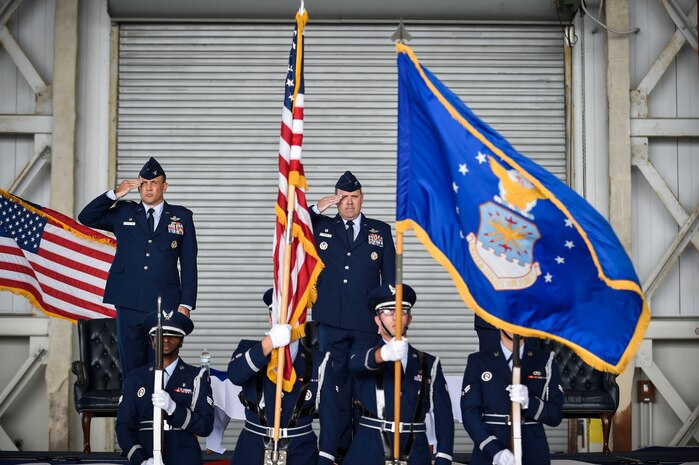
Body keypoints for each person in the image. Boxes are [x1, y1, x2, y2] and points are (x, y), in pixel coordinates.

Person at [78, 157, 198, 378]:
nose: (148, 188)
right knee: (132, 364)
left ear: (165, 186)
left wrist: (186, 304)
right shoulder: (124, 212)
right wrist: (115, 193)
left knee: (160, 366)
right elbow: (86, 217)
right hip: (128, 299)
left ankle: (159, 412)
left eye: (154, 183)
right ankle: (133, 410)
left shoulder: (181, 217)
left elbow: (189, 264)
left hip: (165, 302)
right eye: (143, 183)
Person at [309, 170, 396, 456]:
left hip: (364, 323)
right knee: (334, 389)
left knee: (364, 386)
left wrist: (387, 322)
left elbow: (390, 279)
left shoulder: (379, 230)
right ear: (336, 201)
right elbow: (293, 228)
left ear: (362, 199)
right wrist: (317, 207)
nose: (349, 203)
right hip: (330, 321)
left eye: (354, 197)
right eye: (343, 198)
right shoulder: (320, 225)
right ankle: (333, 451)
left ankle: (363, 451)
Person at [344, 283, 454, 465]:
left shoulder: (429, 363)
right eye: (387, 311)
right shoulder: (363, 353)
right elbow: (356, 364)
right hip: (369, 452)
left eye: (401, 311)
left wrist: (444, 457)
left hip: (415, 454)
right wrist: (384, 354)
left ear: (409, 319)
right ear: (377, 321)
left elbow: (444, 417)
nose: (395, 316)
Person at [227, 289, 338, 465]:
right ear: (270, 318)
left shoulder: (318, 360)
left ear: (301, 319)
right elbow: (235, 375)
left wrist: (325, 460)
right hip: (253, 451)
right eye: (277, 313)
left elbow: (331, 417)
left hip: (301, 453)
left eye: (292, 314)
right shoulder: (249, 349)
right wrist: (269, 342)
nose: (284, 319)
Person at [116, 311, 214, 465]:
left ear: (181, 341)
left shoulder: (197, 377)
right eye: (160, 335)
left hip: (184, 457)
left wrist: (174, 409)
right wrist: (140, 460)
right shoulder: (135, 378)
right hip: (147, 454)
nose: (166, 340)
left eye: (173, 335)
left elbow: (205, 426)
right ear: (152, 341)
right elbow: (123, 427)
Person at [460, 329, 564, 465]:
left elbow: (555, 416)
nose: (515, 326)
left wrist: (530, 403)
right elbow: (469, 413)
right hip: (490, 451)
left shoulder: (544, 361)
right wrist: (494, 451)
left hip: (533, 450)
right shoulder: (479, 361)